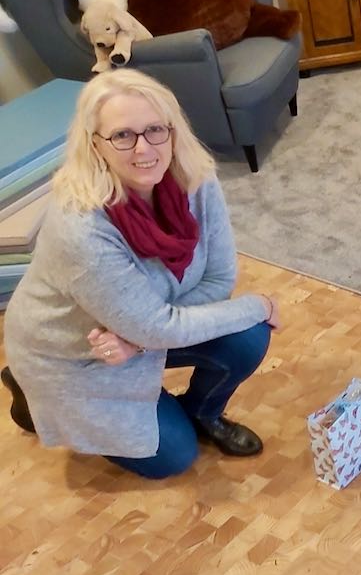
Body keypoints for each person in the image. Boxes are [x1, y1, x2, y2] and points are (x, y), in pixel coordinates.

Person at [1, 69, 278, 480]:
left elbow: (219, 280)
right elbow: (157, 326)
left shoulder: (196, 179)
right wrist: (260, 304)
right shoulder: (81, 228)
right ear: (95, 144)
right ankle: (28, 389)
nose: (144, 149)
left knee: (249, 335)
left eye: (154, 130)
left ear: (173, 130)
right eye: (122, 136)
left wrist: (142, 338)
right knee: (174, 458)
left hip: (129, 336)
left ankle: (203, 414)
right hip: (75, 355)